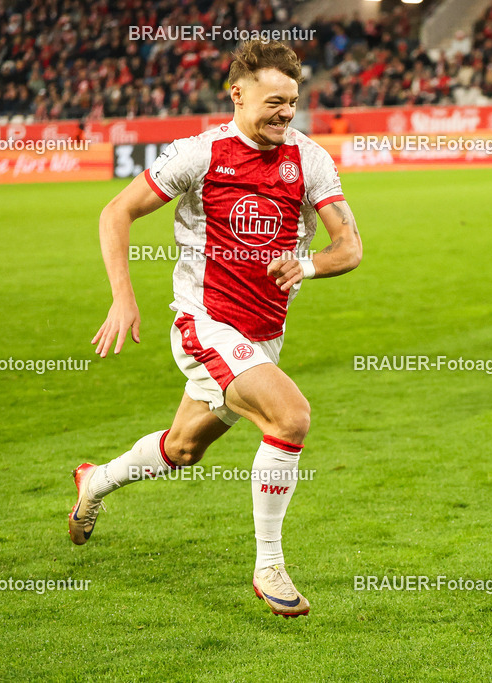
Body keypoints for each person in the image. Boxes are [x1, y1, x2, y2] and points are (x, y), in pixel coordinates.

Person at [68, 40, 362, 618]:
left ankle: (94, 482)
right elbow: (115, 212)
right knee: (291, 417)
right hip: (206, 324)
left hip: (262, 338)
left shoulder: (310, 159)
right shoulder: (200, 155)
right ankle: (270, 565)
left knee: (182, 448)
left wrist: (306, 263)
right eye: (274, 101)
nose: (285, 112)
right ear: (238, 94)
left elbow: (349, 246)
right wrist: (122, 298)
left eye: (293, 102)